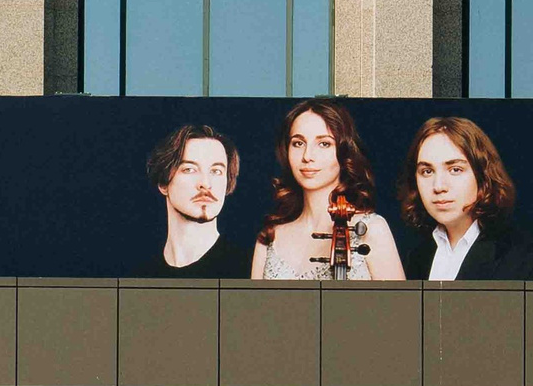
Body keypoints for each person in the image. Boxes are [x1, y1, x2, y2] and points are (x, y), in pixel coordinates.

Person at [251, 99, 406, 281]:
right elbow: (253, 310)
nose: (307, 156)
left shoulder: (371, 230)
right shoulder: (269, 237)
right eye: (298, 143)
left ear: (344, 152)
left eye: (324, 144)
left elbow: (400, 308)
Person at [396, 115, 533, 282]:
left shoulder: (530, 260)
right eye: (427, 171)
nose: (438, 186)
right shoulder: (417, 258)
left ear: (483, 175)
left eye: (455, 169)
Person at [137, 124, 247, 279]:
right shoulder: (141, 275)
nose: (205, 183)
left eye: (216, 171)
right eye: (189, 169)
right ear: (163, 183)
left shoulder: (248, 267)